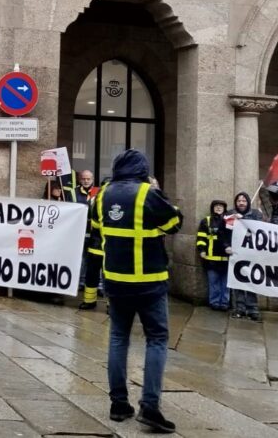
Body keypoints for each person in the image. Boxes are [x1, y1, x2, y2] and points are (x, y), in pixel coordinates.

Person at [91, 149, 182, 433]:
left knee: (118, 337)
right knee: (157, 338)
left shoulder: (102, 194)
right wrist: (157, 191)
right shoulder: (147, 193)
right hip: (150, 281)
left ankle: (119, 404)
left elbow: (95, 226)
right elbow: (175, 223)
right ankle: (150, 406)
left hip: (115, 281)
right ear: (142, 170)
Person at [227, 192, 262, 321]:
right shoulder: (230, 214)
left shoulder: (256, 215)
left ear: (248, 202)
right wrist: (226, 246)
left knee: (251, 281)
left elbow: (261, 230)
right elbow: (224, 232)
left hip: (252, 255)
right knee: (238, 281)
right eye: (239, 201)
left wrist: (245, 220)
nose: (241, 203)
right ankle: (239, 308)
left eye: (244, 201)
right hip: (237, 255)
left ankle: (253, 309)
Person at [197, 200, 230, 311]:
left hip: (226, 258)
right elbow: (201, 237)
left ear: (225, 208)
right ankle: (214, 302)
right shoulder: (206, 221)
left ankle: (225, 302)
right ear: (212, 208)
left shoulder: (230, 221)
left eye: (221, 206)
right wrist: (201, 250)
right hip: (211, 259)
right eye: (216, 206)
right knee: (214, 283)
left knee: (226, 284)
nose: (218, 208)